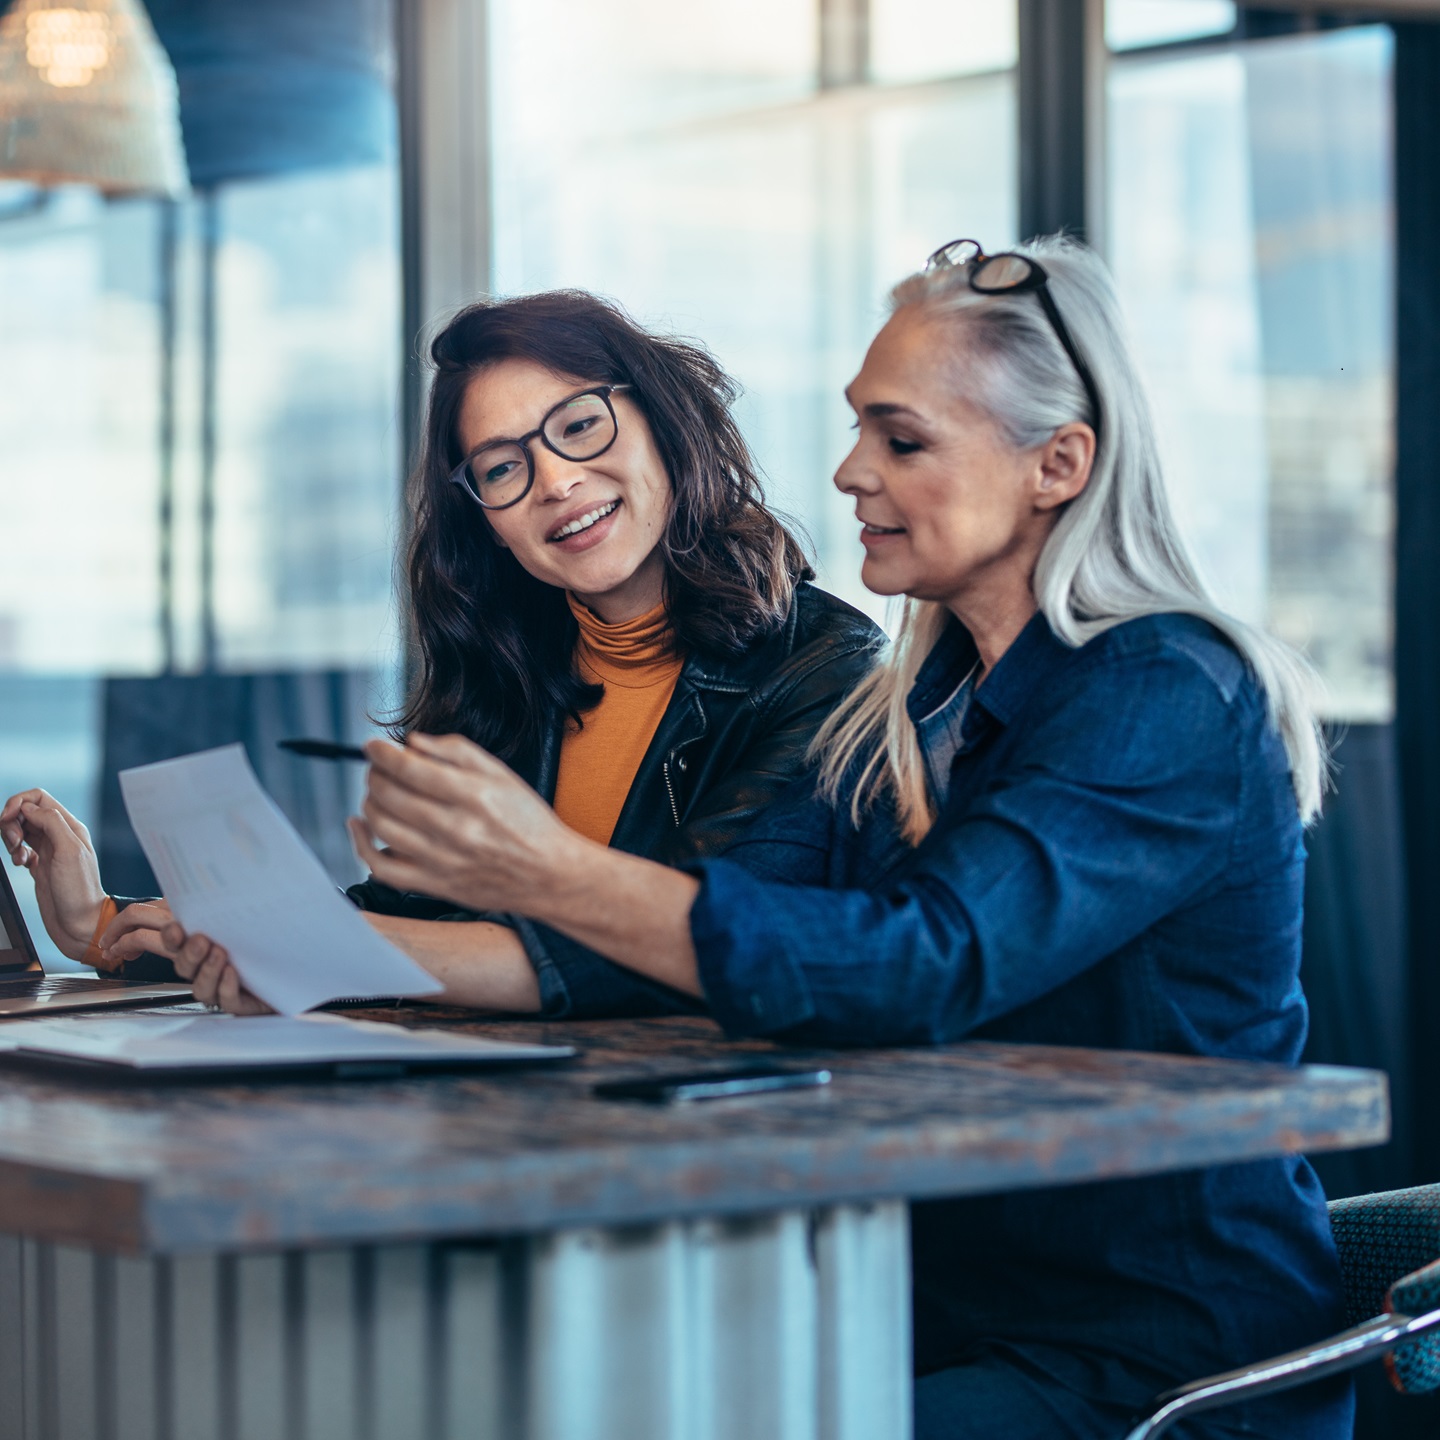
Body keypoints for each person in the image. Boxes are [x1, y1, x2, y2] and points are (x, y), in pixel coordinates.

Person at [162, 237, 1346, 1438]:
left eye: (902, 440)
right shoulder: (913, 707)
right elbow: (706, 927)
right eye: (857, 431)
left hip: (1150, 1357)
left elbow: (917, 964)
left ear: (1058, 464)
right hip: (931, 1304)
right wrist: (300, 956)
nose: (847, 474)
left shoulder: (1168, 690)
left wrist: (545, 870)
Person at [1, 290, 880, 1009]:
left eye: (579, 425)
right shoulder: (510, 672)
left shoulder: (828, 669)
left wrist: (313, 950)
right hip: (501, 1123)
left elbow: (684, 948)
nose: (556, 482)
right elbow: (406, 923)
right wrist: (102, 926)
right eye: (502, 468)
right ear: (487, 523)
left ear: (664, 422)